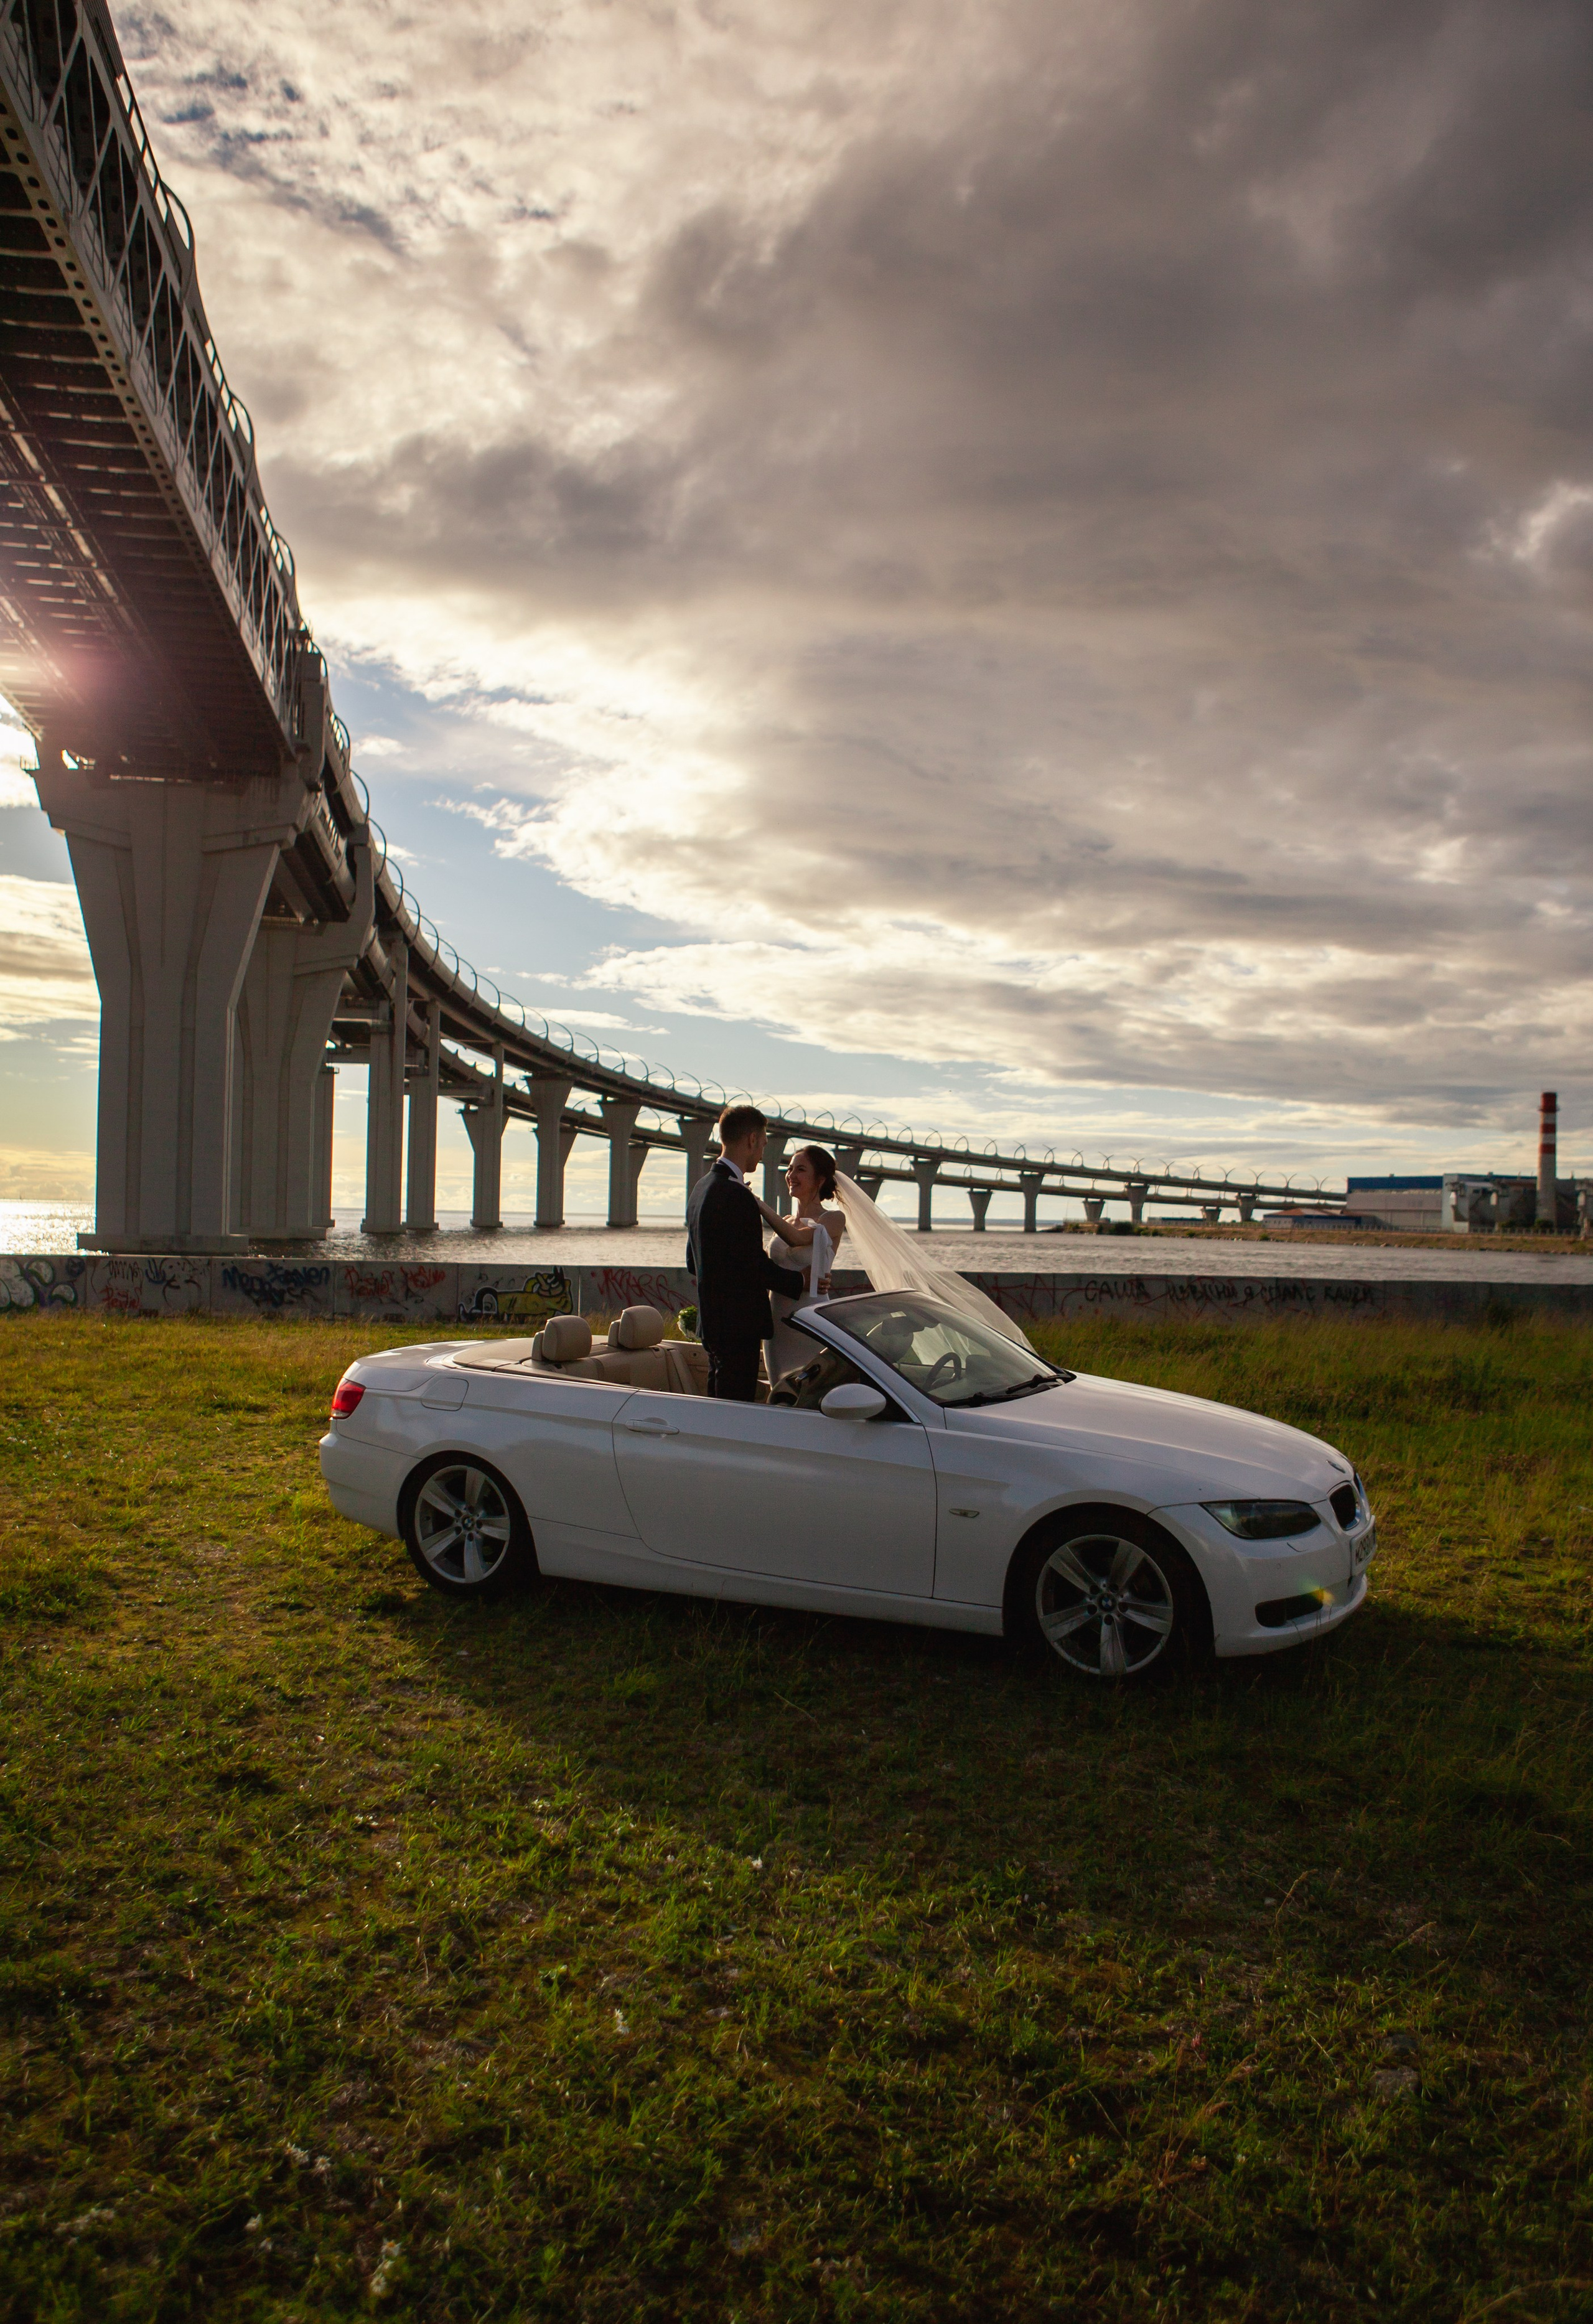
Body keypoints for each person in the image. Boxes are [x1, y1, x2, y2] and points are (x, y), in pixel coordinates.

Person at [685, 1104, 805, 1401]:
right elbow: (754, 1266)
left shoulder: (701, 1187)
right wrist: (801, 1281)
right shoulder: (736, 1194)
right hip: (738, 1328)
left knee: (719, 1406)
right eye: (763, 1142)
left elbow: (692, 1261)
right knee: (734, 1412)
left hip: (713, 1326)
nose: (763, 1151)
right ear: (752, 1139)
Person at [756, 1143, 847, 1384]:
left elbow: (797, 1239)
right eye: (790, 1168)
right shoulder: (784, 1220)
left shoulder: (834, 1219)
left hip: (811, 1318)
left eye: (801, 1170)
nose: (791, 1176)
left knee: (812, 1391)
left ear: (820, 1179)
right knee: (780, 1388)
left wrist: (759, 1204)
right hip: (777, 1321)